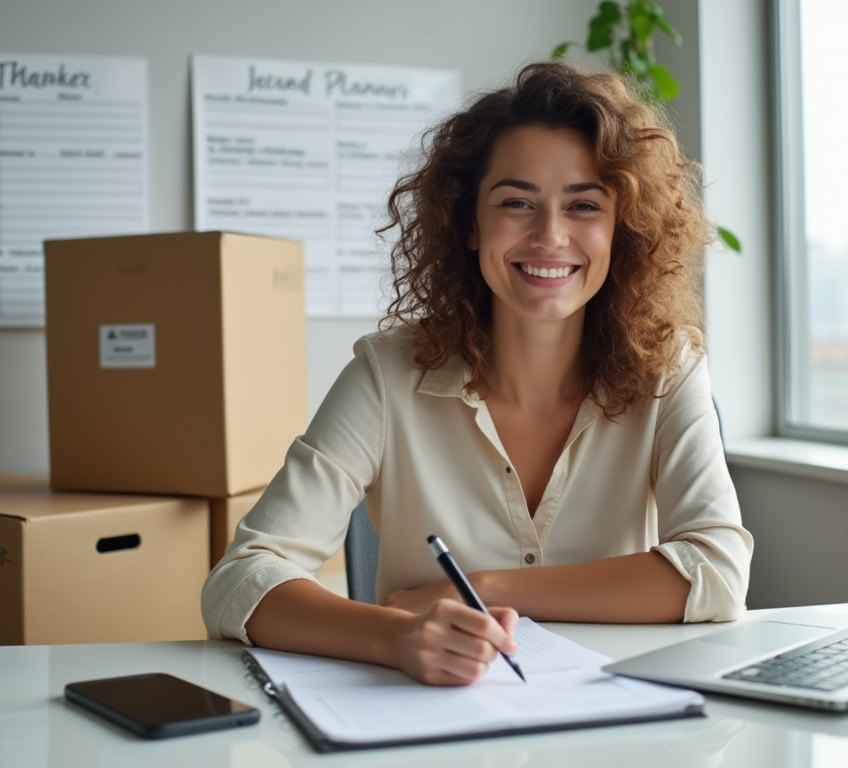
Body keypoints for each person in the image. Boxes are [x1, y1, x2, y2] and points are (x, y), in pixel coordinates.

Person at [201, 60, 753, 686]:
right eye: (517, 202)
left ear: (619, 228)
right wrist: (397, 636)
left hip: (617, 725)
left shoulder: (669, 368)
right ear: (468, 222)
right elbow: (241, 578)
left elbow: (716, 571)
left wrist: (482, 587)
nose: (550, 235)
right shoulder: (386, 374)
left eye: (584, 206)